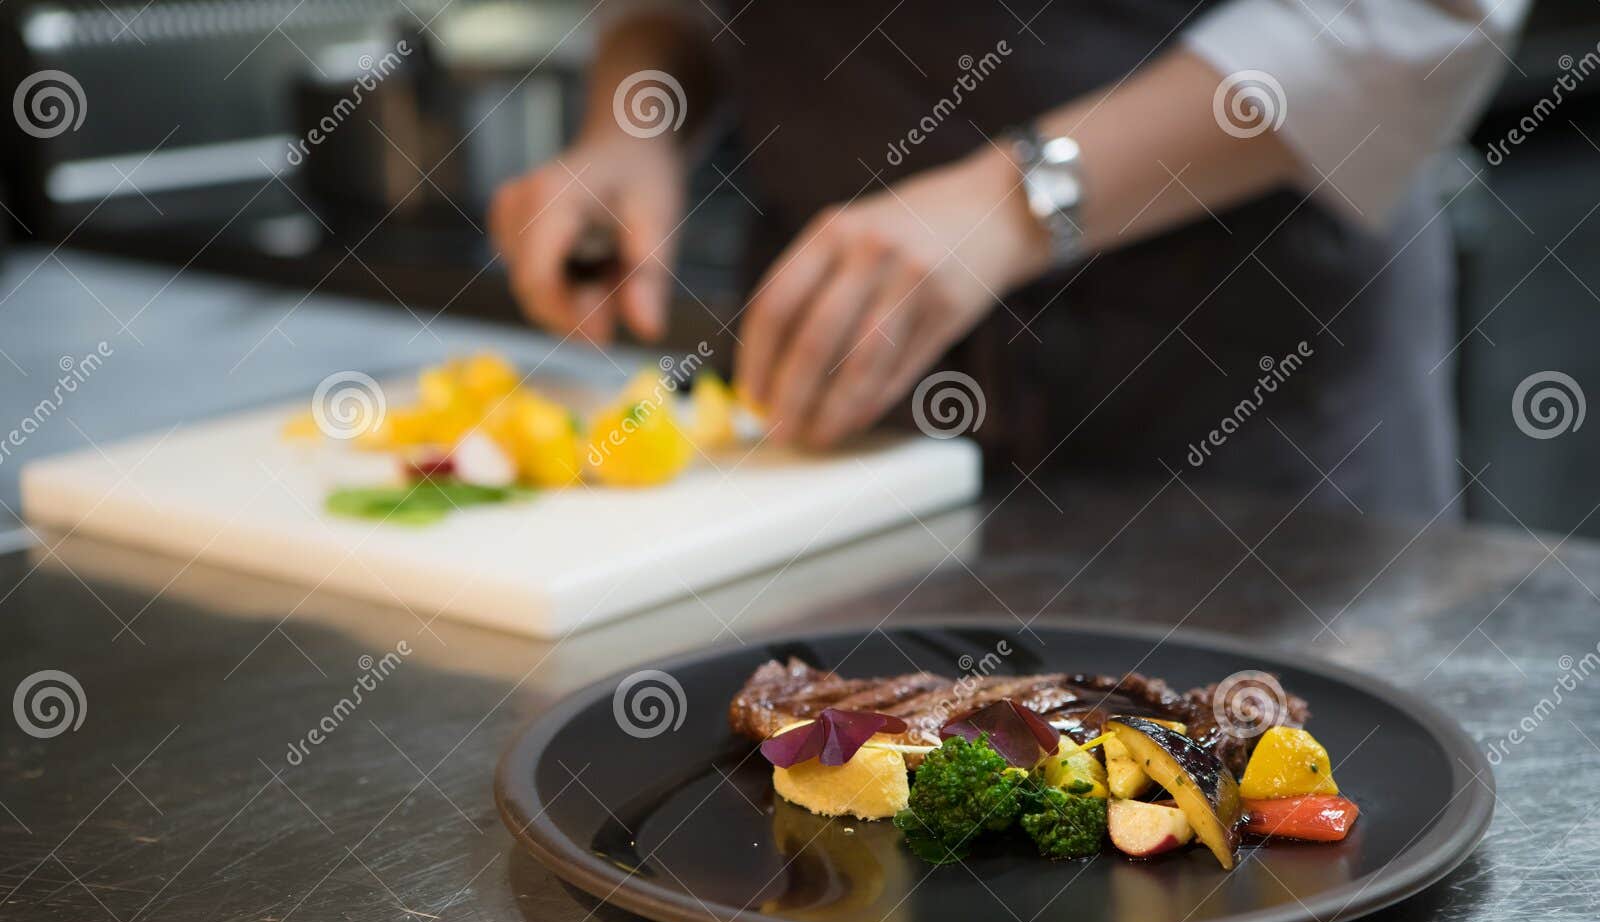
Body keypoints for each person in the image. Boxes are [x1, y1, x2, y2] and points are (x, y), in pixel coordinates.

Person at [490, 1, 1528, 518]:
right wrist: (634, 118)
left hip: (1235, 388)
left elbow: (1417, 15)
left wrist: (1014, 199)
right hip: (839, 411)